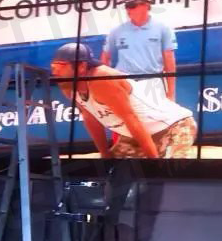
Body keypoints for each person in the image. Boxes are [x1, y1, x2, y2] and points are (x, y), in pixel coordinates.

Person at [52, 43, 196, 159]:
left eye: (60, 66)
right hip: (135, 136)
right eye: (53, 67)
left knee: (169, 173)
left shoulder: (102, 79)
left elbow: (131, 119)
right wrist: (105, 154)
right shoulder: (67, 85)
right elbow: (90, 119)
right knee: (112, 174)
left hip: (174, 127)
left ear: (81, 66)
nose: (55, 71)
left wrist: (154, 165)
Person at [101, 0, 178, 101]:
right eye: (126, 6)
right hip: (124, 82)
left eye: (132, 5)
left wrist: (171, 94)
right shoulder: (116, 31)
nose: (128, 9)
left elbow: (169, 63)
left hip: (152, 83)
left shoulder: (163, 29)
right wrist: (107, 86)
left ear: (146, 5)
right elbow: (105, 60)